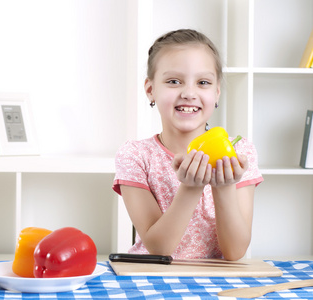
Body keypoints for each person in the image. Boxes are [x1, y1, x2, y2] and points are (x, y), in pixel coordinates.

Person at [112, 29, 263, 261]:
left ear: (217, 92)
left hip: (215, 279)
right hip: (152, 277)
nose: (189, 93)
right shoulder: (136, 155)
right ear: (151, 90)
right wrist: (190, 188)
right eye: (174, 81)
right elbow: (159, 249)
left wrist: (223, 186)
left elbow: (235, 252)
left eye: (203, 82)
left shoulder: (239, 152)